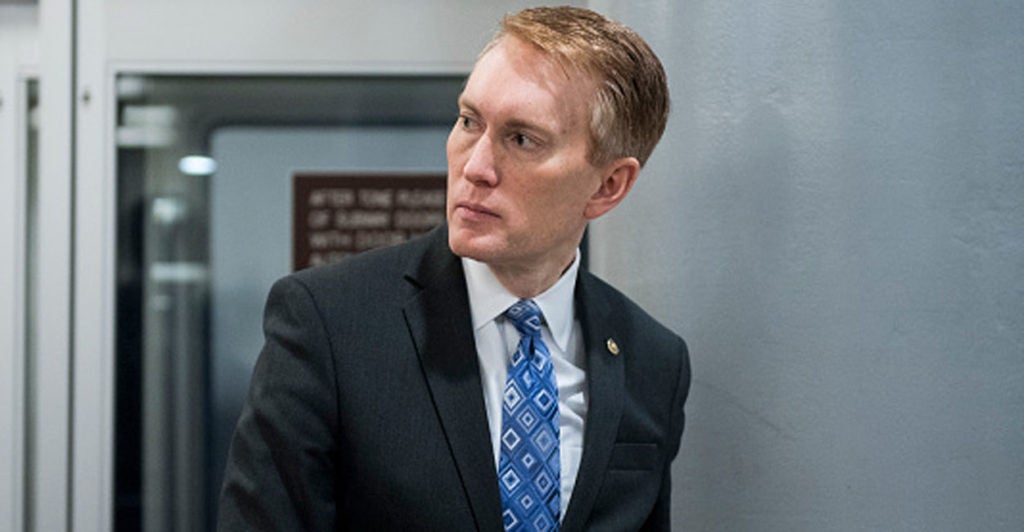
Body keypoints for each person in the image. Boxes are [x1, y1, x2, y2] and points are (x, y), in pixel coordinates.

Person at [218, 6, 690, 531]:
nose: (475, 166)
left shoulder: (653, 360)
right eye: (469, 121)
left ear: (608, 186)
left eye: (522, 139)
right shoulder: (329, 324)